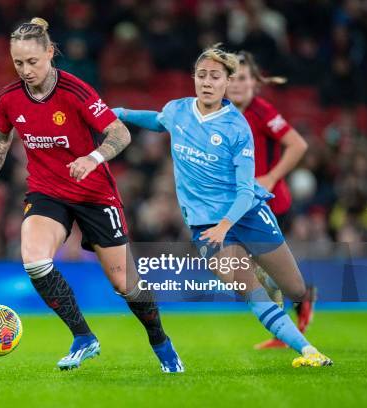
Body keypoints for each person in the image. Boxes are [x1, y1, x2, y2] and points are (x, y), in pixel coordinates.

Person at [0, 17, 183, 373]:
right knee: (33, 258)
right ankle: (83, 337)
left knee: (126, 284)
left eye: (32, 61)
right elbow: (0, 140)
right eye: (18, 63)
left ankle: (160, 340)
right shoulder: (9, 98)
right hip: (47, 192)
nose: (26, 70)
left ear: (50, 53)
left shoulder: (76, 91)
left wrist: (93, 158)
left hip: (95, 194)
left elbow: (120, 134)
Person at [113, 44, 332, 367]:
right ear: (194, 79)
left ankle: (278, 283)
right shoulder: (178, 110)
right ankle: (308, 351)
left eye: (215, 76)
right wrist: (120, 113)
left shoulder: (236, 127)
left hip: (248, 216)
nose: (207, 82)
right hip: (206, 227)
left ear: (226, 83)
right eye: (201, 75)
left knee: (295, 289)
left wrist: (226, 225)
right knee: (250, 291)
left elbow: (246, 191)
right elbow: (159, 121)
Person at [226, 51, 314, 349]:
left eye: (243, 78)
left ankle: (299, 304)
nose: (237, 84)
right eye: (232, 78)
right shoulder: (222, 113)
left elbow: (298, 144)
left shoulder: (261, 111)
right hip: (243, 207)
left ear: (255, 83)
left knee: (267, 273)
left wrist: (271, 177)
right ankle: (284, 327)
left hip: (271, 205)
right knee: (260, 276)